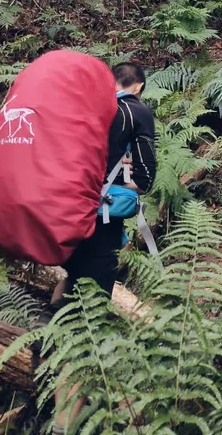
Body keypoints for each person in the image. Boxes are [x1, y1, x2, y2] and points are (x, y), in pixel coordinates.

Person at [60, 61, 156, 298]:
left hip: (68, 204)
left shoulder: (88, 106)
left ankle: (51, 327)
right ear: (138, 87)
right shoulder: (136, 110)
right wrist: (129, 183)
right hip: (103, 211)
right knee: (97, 289)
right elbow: (145, 178)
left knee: (73, 276)